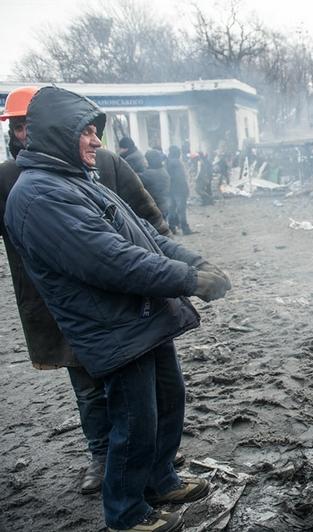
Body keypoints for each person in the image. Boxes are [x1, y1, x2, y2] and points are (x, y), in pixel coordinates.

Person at [4, 86, 232, 532]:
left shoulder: (76, 179)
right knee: (132, 421)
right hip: (110, 326)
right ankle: (127, 513)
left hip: (140, 317)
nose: (96, 142)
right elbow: (113, 261)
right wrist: (189, 281)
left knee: (168, 400)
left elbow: (143, 235)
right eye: (86, 133)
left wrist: (193, 261)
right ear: (55, 135)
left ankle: (160, 480)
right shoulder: (39, 195)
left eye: (96, 132)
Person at [0, 86, 175, 495]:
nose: (25, 134)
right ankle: (102, 456)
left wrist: (166, 273)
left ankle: (154, 466)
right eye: (19, 127)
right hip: (54, 305)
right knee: (88, 387)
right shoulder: (9, 180)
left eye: (30, 124)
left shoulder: (106, 165)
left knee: (153, 386)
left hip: (127, 300)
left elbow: (150, 219)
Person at [166, 145, 192, 235]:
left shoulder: (167, 162)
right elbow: (181, 178)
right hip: (179, 189)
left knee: (171, 209)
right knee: (181, 210)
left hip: (170, 189)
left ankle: (172, 228)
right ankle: (185, 228)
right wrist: (186, 188)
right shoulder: (177, 163)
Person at [141, 148, 172, 220]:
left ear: (150, 160)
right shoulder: (162, 170)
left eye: (146, 159)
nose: (144, 161)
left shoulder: (149, 174)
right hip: (164, 205)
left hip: (156, 207)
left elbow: (136, 178)